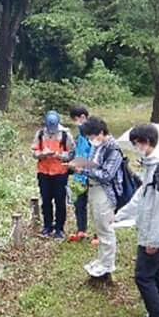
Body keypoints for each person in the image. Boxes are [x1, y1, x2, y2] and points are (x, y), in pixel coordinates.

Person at [113, 123, 159, 317]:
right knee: (156, 274)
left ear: (147, 142)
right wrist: (120, 214)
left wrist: (155, 240)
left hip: (153, 234)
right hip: (147, 230)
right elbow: (141, 197)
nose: (135, 148)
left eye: (137, 143)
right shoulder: (151, 166)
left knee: (143, 277)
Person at [71, 116, 123, 278]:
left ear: (101, 132)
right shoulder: (97, 146)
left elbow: (107, 174)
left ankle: (107, 265)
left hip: (105, 191)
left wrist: (84, 170)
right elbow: (93, 164)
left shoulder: (113, 149)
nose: (91, 140)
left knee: (105, 229)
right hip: (93, 188)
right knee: (98, 227)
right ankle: (101, 260)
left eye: (92, 136)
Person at [32, 110, 75, 240]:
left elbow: (72, 153)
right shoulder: (40, 134)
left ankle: (59, 229)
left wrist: (59, 155)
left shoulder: (65, 135)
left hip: (60, 173)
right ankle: (47, 226)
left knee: (60, 202)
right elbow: (34, 151)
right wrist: (42, 154)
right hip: (44, 172)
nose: (52, 130)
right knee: (45, 201)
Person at [68, 105, 92, 242]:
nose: (76, 123)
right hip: (78, 175)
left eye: (76, 119)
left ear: (83, 117)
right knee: (79, 204)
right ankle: (81, 230)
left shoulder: (91, 133)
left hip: (89, 174)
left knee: (94, 206)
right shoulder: (80, 133)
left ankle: (97, 234)